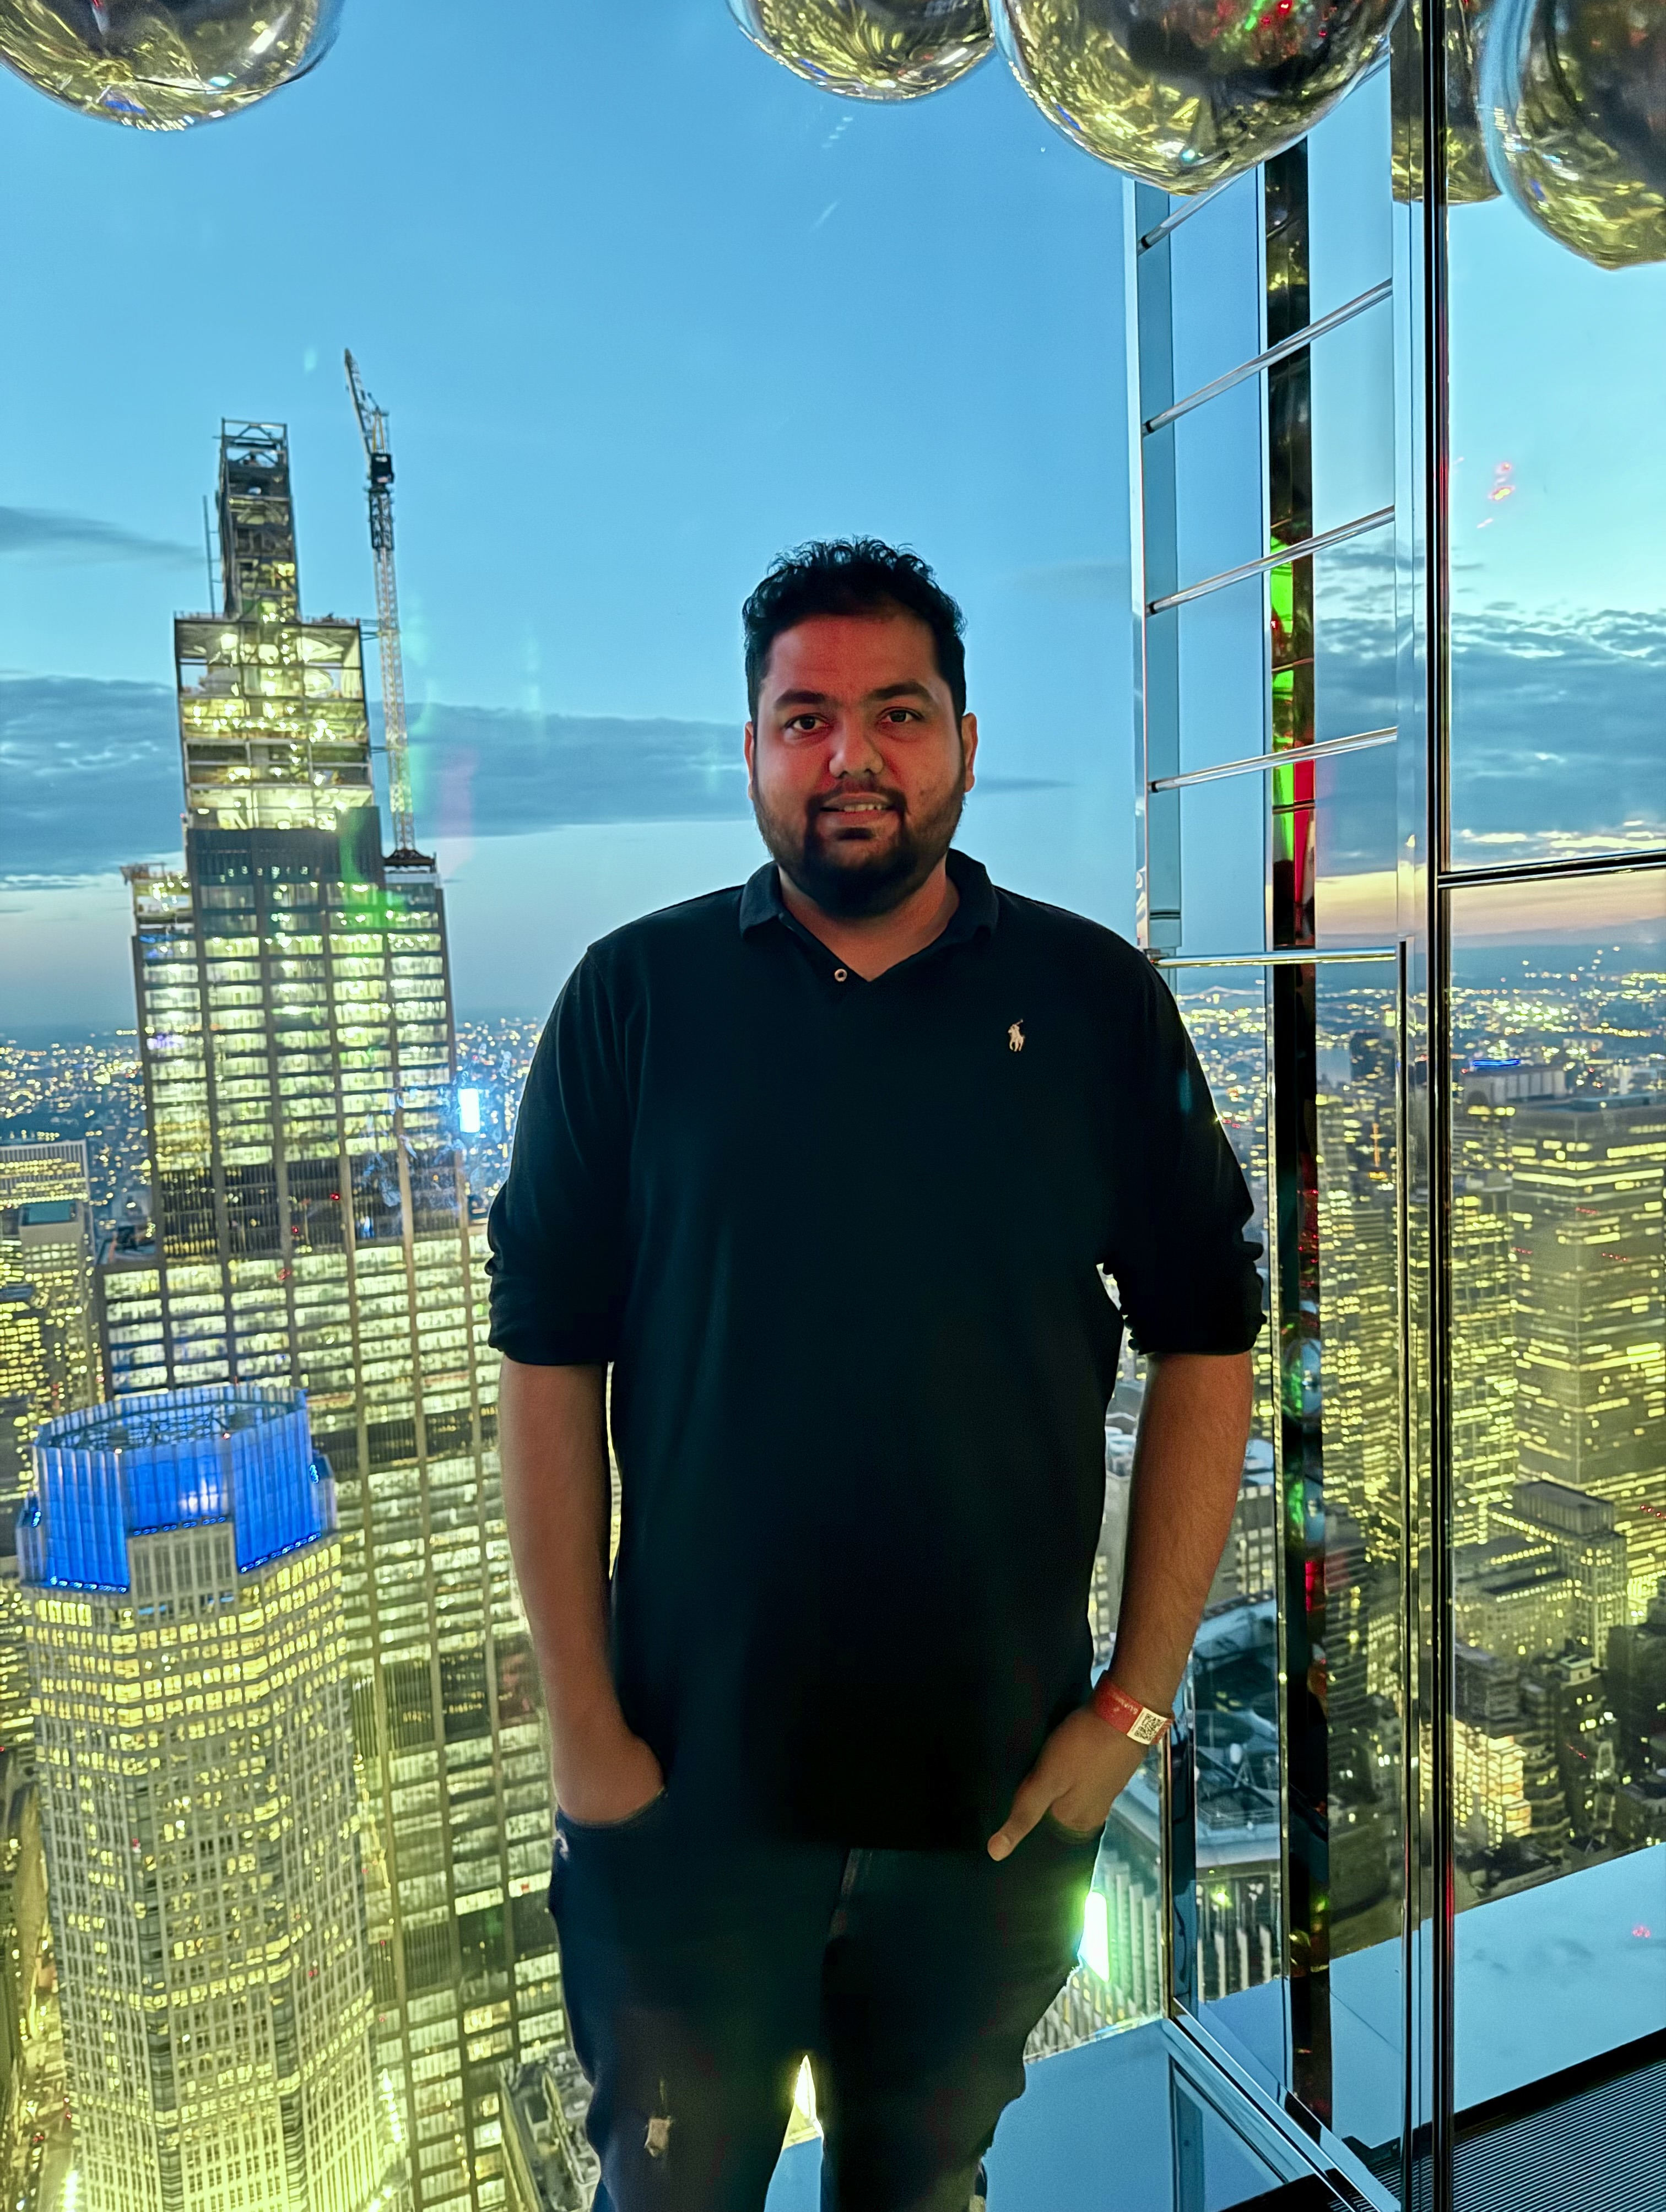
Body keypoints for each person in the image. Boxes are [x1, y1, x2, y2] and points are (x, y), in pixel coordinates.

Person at [489, 540, 1261, 2212]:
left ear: (967, 743)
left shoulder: (1094, 1005)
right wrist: (585, 1737)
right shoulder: (635, 1002)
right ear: (752, 752)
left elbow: (1212, 1326)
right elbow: (545, 1361)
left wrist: (1132, 1709)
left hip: (993, 1807)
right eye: (807, 718)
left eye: (898, 713)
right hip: (687, 1806)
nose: (852, 755)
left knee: (922, 2193)